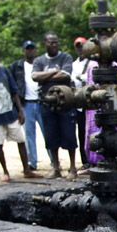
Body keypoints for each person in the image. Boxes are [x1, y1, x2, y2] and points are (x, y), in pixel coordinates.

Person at [0, 46, 42, 182]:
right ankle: (5, 171)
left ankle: (27, 169)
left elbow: (14, 91)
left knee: (21, 140)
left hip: (11, 114)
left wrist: (20, 111)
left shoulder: (4, 70)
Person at [32, 32, 78, 179]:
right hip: (47, 102)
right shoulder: (39, 60)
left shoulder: (65, 57)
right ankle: (56, 167)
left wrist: (44, 76)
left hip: (65, 101)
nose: (54, 45)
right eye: (50, 42)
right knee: (50, 135)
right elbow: (34, 76)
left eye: (56, 42)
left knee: (69, 134)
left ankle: (72, 167)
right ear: (44, 43)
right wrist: (54, 72)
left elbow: (66, 75)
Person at [8, 41, 44, 172]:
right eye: (27, 49)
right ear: (23, 51)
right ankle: (32, 162)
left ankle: (54, 162)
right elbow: (11, 86)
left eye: (32, 49)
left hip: (42, 102)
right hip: (26, 103)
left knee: (48, 133)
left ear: (36, 50)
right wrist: (16, 107)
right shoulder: (16, 66)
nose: (30, 51)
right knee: (29, 136)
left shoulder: (41, 64)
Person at [71, 36, 90, 169]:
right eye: (78, 46)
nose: (80, 48)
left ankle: (94, 158)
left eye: (82, 45)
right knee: (82, 132)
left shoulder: (91, 62)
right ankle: (85, 161)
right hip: (79, 102)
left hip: (91, 100)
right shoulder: (74, 64)